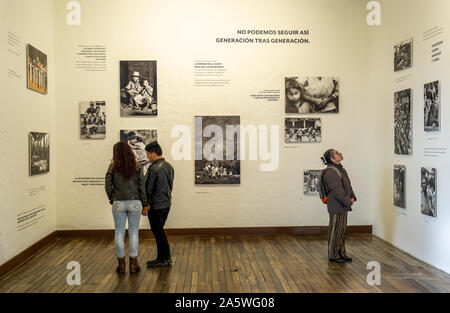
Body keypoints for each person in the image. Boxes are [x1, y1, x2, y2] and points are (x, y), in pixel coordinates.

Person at [105, 141, 148, 274]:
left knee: (119, 232)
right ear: (130, 151)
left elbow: (107, 185)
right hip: (135, 202)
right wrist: (145, 204)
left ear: (115, 153)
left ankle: (121, 265)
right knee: (134, 232)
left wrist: (112, 199)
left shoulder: (112, 166)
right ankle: (133, 265)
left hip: (118, 202)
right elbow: (142, 187)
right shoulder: (137, 166)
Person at [321, 149, 356, 264]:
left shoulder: (340, 169)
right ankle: (333, 255)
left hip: (342, 204)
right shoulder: (331, 172)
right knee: (335, 230)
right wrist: (349, 201)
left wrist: (353, 197)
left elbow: (348, 186)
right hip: (337, 205)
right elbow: (338, 192)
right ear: (332, 159)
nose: (340, 153)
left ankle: (341, 253)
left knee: (341, 230)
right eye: (337, 153)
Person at [143, 142, 175, 267]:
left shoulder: (154, 168)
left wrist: (145, 205)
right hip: (166, 204)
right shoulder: (169, 166)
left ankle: (164, 258)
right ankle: (163, 257)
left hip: (156, 206)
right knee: (159, 231)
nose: (147, 157)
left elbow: (148, 189)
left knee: (158, 232)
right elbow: (170, 185)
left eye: (148, 154)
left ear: (154, 154)